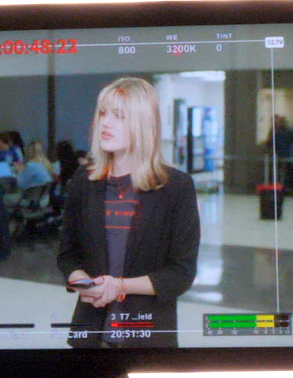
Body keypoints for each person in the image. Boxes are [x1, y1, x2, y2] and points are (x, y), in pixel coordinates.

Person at [56, 77, 200, 347]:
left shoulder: (177, 187)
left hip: (148, 336)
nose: (105, 123)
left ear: (143, 124)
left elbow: (181, 273)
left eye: (119, 116)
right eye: (103, 113)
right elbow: (68, 254)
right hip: (89, 334)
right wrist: (82, 283)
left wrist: (119, 286)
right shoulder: (84, 180)